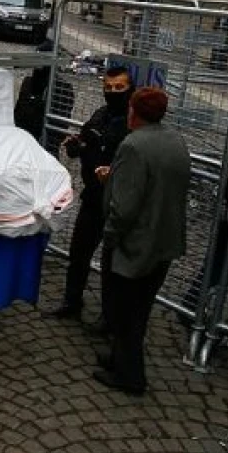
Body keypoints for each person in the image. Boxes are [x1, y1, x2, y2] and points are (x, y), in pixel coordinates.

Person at [95, 87, 190, 395]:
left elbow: (124, 208)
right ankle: (118, 358)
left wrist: (110, 235)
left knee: (126, 313)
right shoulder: (175, 141)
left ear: (134, 112)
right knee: (139, 307)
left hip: (136, 245)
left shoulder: (133, 145)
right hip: (164, 241)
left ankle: (130, 377)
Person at [50, 66, 133, 323]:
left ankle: (109, 317)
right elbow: (84, 143)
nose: (113, 92)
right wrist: (76, 146)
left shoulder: (133, 123)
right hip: (93, 196)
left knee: (112, 264)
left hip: (118, 201)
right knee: (79, 253)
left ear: (130, 89)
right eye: (108, 88)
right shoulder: (100, 114)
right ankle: (72, 300)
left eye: (119, 88)